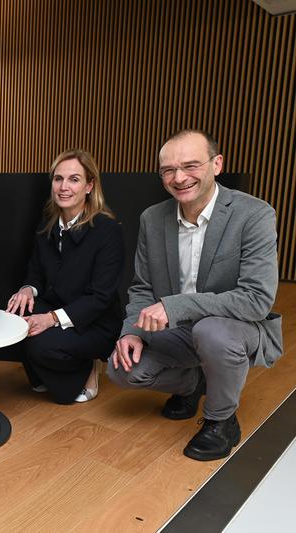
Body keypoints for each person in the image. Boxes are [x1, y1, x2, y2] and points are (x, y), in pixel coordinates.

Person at [107, 129, 283, 461]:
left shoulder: (255, 214)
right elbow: (142, 287)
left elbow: (257, 300)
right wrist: (131, 331)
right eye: (168, 170)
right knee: (121, 369)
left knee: (211, 331)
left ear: (216, 164)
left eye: (190, 165)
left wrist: (175, 306)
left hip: (233, 326)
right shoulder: (152, 218)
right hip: (178, 329)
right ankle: (192, 383)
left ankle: (221, 420)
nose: (179, 177)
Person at [6, 150, 124, 404]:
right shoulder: (48, 223)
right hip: (57, 307)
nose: (64, 187)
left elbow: (100, 298)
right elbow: (36, 274)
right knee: (13, 316)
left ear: (90, 185)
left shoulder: (107, 231)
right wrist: (27, 289)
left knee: (42, 345)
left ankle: (88, 368)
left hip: (94, 322)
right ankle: (43, 374)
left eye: (74, 179)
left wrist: (50, 319)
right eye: (58, 179)